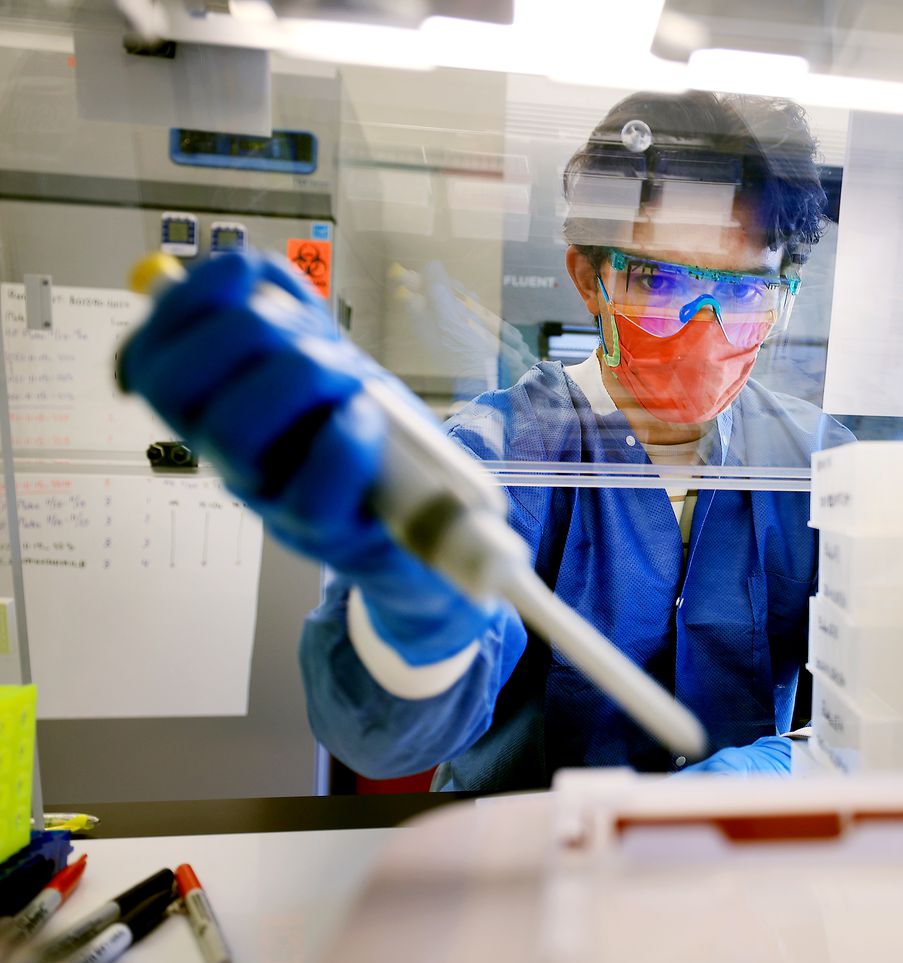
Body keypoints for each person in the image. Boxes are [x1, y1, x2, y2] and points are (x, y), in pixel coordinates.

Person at [121, 90, 850, 791]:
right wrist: (419, 610)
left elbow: (887, 701)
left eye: (746, 292)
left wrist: (780, 769)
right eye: (660, 284)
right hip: (518, 881)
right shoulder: (498, 449)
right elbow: (381, 733)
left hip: (734, 876)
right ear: (589, 280)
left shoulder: (813, 461)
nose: (704, 326)